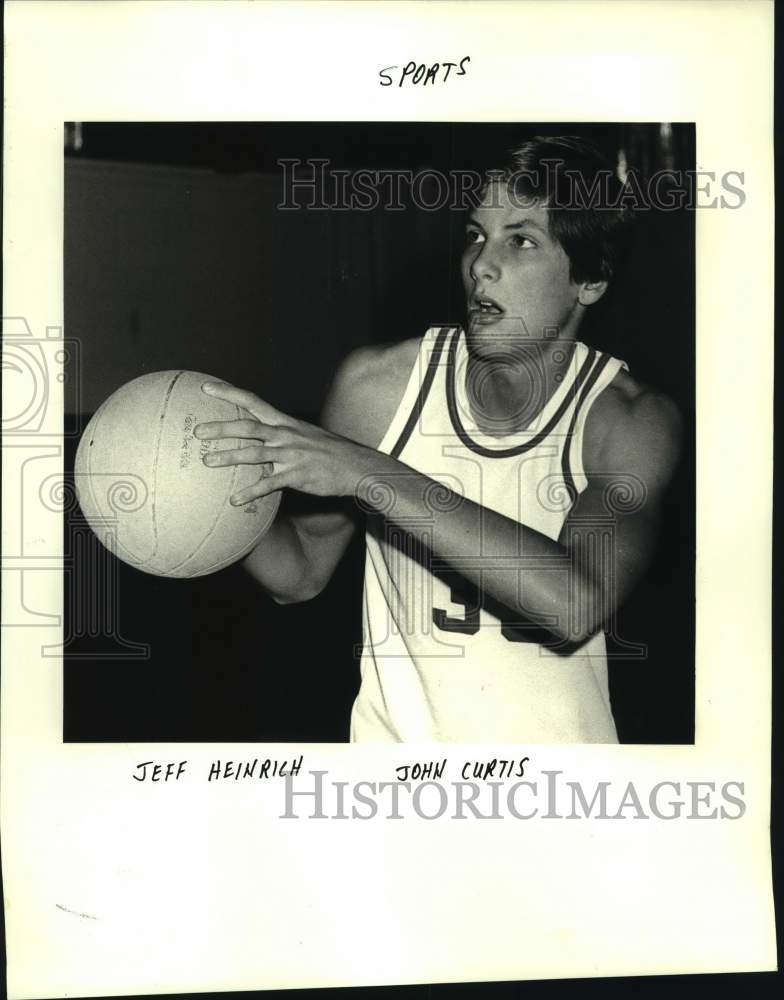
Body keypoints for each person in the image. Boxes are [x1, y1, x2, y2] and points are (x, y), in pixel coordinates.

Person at [195, 136, 682, 743]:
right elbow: (299, 573)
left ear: (589, 280)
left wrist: (369, 473)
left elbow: (573, 604)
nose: (481, 263)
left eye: (520, 240)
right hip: (399, 782)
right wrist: (203, 495)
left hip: (561, 794)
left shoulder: (628, 421)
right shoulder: (379, 388)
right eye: (476, 234)